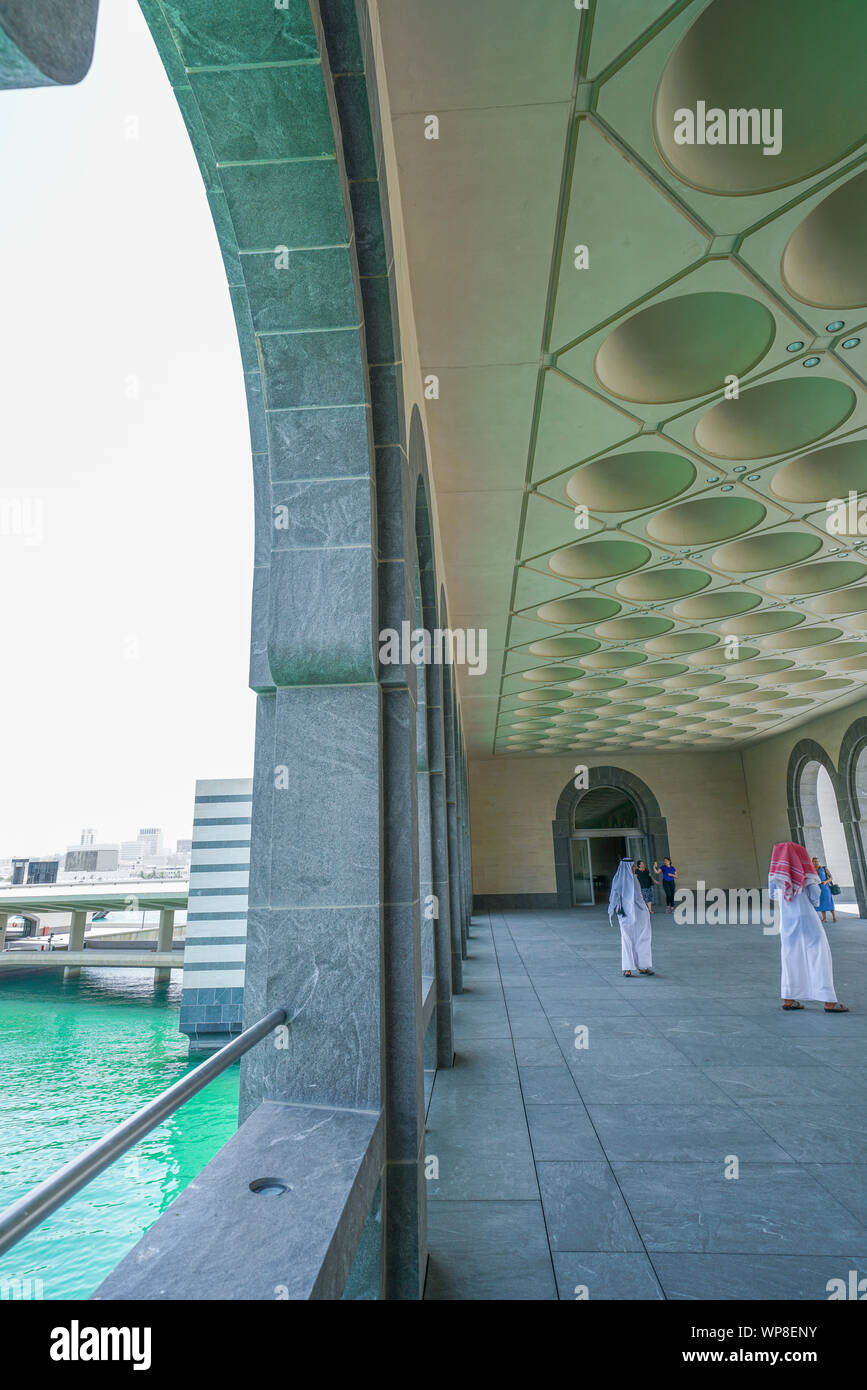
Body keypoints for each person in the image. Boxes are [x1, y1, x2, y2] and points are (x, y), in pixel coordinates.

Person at [769, 842, 847, 1012]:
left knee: (789, 955)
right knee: (819, 953)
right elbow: (815, 895)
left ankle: (788, 998)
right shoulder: (806, 873)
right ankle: (828, 1001)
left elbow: (772, 895)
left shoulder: (776, 875)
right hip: (806, 917)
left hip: (787, 921)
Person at [608, 857, 654, 977]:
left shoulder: (628, 879)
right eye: (633, 866)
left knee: (637, 939)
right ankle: (633, 967)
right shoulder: (625, 879)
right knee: (633, 939)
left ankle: (638, 967)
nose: (634, 868)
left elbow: (637, 898)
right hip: (629, 914)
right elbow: (618, 896)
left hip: (634, 914)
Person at [811, 856, 838, 924]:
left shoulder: (824, 868)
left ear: (819, 862)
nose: (816, 863)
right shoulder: (812, 870)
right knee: (821, 902)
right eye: (814, 862)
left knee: (829, 901)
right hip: (817, 888)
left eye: (817, 861)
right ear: (812, 862)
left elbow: (831, 878)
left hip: (825, 888)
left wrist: (825, 882)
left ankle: (834, 917)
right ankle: (824, 918)